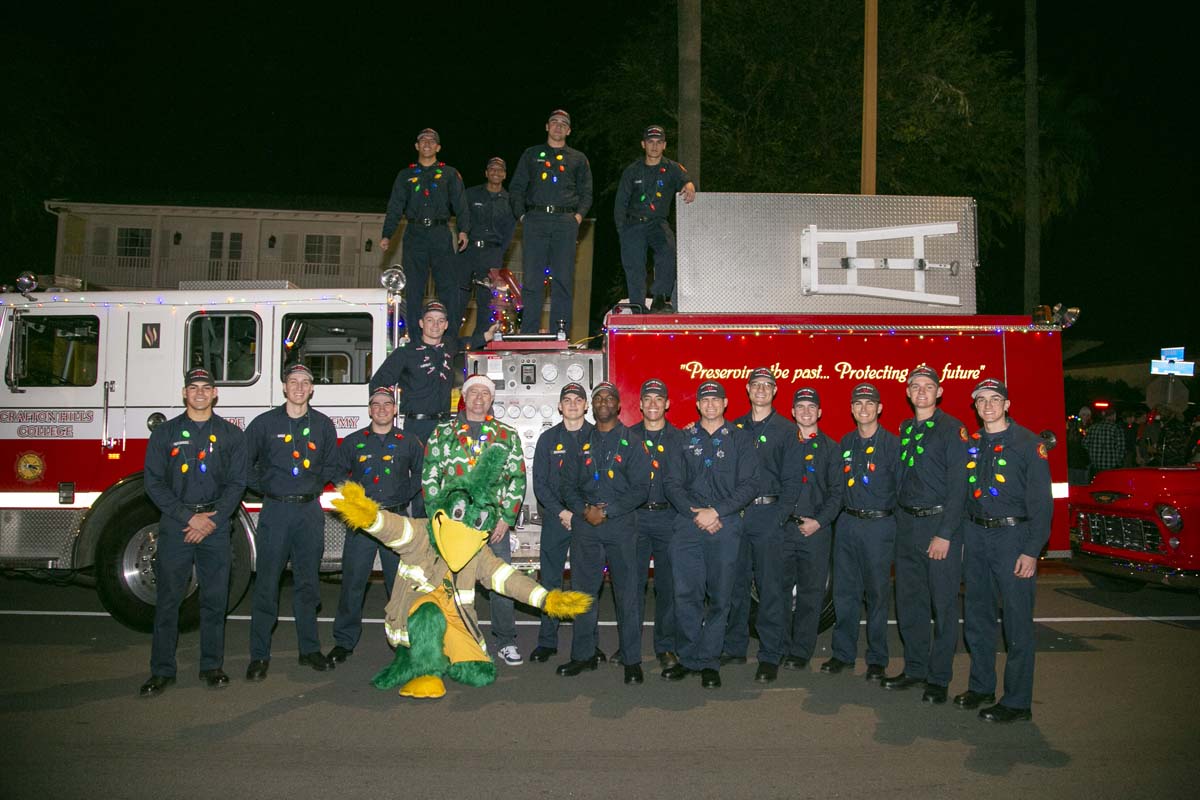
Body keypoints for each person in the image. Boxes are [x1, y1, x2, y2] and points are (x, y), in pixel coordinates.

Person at [140, 368, 247, 697]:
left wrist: (212, 520)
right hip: (177, 525)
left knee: (215, 601)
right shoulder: (164, 434)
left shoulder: (231, 435)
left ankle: (212, 666)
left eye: (206, 387)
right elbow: (153, 483)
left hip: (215, 524)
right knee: (169, 600)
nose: (200, 393)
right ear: (184, 394)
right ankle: (162, 670)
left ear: (216, 394)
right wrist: (189, 517)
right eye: (193, 387)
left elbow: (237, 483)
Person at [956, 378, 1052, 723]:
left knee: (1016, 623)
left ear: (1007, 404)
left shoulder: (1029, 444)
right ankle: (981, 686)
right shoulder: (973, 443)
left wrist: (1031, 550)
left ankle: (1017, 701)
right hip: (977, 536)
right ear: (976, 407)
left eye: (995, 399)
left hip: (1013, 539)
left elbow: (1042, 504)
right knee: (978, 618)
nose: (988, 405)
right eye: (981, 401)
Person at [244, 363, 342, 680]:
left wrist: (310, 486)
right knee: (267, 583)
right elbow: (243, 465)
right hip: (275, 511)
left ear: (312, 389)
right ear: (284, 387)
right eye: (293, 381)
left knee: (308, 584)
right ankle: (259, 655)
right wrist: (268, 488)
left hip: (308, 513)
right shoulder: (263, 424)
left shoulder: (324, 426)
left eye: (305, 382)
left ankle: (309, 649)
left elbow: (330, 465)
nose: (299, 387)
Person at [421, 374, 526, 666]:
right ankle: (455, 640)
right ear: (464, 397)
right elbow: (430, 476)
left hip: (492, 525)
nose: (479, 398)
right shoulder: (442, 432)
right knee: (450, 584)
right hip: (453, 526)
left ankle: (506, 641)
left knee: (499, 582)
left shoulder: (506, 434)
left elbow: (517, 477)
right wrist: (436, 518)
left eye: (485, 394)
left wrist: (506, 518)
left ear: (492, 399)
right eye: (474, 393)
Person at [661, 381, 761, 689]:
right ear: (698, 404)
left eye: (716, 399)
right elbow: (671, 484)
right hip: (687, 525)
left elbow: (750, 485)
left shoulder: (741, 440)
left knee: (721, 597)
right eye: (705, 400)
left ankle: (709, 661)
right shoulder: (682, 438)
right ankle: (689, 657)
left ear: (726, 403)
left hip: (725, 525)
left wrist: (715, 512)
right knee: (686, 594)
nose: (710, 404)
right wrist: (696, 514)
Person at [881, 366, 968, 704]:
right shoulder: (905, 428)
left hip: (938, 526)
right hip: (908, 526)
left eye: (928, 386)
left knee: (942, 605)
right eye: (915, 386)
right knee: (909, 602)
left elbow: (959, 487)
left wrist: (945, 533)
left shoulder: (952, 430)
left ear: (940, 392)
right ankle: (915, 668)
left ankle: (939, 677)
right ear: (907, 392)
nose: (921, 392)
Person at [559, 382, 650, 684]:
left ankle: (632, 660)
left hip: (621, 525)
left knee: (627, 593)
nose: (603, 402)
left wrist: (607, 511)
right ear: (592, 405)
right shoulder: (579, 442)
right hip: (586, 525)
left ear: (618, 405)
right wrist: (584, 511)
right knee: (583, 593)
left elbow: (641, 488)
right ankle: (583, 656)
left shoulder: (633, 441)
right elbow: (567, 486)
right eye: (597, 398)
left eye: (609, 397)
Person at [369, 300, 495, 514]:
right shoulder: (406, 353)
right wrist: (386, 410)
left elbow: (467, 341)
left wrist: (486, 337)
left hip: (445, 425)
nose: (435, 325)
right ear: (421, 323)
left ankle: (442, 530)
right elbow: (378, 383)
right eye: (430, 320)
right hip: (416, 426)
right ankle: (421, 530)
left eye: (440, 321)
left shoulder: (449, 346)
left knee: (445, 477)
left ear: (446, 325)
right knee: (421, 479)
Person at [327, 387, 423, 664]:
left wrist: (402, 495)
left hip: (395, 521)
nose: (381, 408)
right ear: (369, 410)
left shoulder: (409, 441)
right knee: (353, 583)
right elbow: (336, 473)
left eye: (387, 404)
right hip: (363, 524)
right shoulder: (353, 442)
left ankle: (404, 642)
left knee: (400, 585)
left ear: (395, 410)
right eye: (376, 404)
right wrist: (354, 498)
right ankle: (344, 642)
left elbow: (421, 473)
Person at [821, 382, 899, 681]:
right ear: (852, 409)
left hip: (879, 526)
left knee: (877, 595)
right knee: (844, 593)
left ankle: (877, 658)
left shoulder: (893, 445)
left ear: (879, 408)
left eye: (869, 404)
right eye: (858, 404)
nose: (863, 409)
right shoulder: (845, 444)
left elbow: (902, 489)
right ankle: (843, 653)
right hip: (848, 525)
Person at [722, 368, 796, 683]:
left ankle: (769, 654)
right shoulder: (734, 427)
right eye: (756, 385)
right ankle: (735, 646)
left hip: (769, 515)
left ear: (775, 391)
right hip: (739, 517)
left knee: (770, 590)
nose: (761, 390)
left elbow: (793, 482)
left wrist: (778, 519)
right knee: (736, 586)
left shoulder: (786, 430)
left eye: (768, 385)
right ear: (748, 390)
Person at [509, 109, 593, 335]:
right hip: (535, 220)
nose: (558, 126)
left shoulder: (578, 158)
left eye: (563, 124)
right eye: (554, 122)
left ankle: (560, 333)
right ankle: (529, 332)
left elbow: (587, 193)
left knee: (563, 279)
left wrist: (578, 216)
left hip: (565, 221)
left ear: (568, 130)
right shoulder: (531, 154)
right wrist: (523, 216)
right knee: (533, 280)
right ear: (547, 126)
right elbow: (516, 188)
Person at [777, 386, 843, 671]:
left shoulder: (831, 448)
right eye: (800, 407)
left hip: (816, 530)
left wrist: (819, 522)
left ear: (819, 412)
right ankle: (778, 646)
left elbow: (837, 493)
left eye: (811, 407)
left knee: (810, 593)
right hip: (783, 529)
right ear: (792, 412)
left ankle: (801, 651)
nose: (805, 411)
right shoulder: (780, 445)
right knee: (777, 591)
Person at [529, 382, 596, 663]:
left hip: (587, 521)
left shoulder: (598, 436)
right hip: (557, 519)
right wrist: (562, 513)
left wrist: (580, 513)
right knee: (551, 580)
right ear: (559, 406)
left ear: (586, 406)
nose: (572, 404)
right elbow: (540, 485)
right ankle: (547, 641)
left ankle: (588, 643)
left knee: (586, 582)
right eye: (566, 400)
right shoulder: (547, 439)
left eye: (577, 399)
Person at [380, 128, 470, 328]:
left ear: (438, 147)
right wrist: (387, 234)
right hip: (414, 234)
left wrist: (464, 230)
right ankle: (414, 335)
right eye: (423, 140)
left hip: (440, 234)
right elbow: (395, 206)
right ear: (417, 146)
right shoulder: (406, 175)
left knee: (448, 287)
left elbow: (461, 204)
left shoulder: (449, 173)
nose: (427, 143)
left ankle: (449, 336)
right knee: (413, 289)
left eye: (432, 141)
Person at [630, 378, 684, 670]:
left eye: (658, 399)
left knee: (668, 586)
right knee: (632, 586)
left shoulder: (680, 439)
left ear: (667, 404)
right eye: (647, 399)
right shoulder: (626, 437)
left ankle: (665, 647)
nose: (653, 404)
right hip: (636, 518)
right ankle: (630, 646)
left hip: (669, 519)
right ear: (639, 404)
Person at [613, 124, 696, 312]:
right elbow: (620, 203)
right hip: (633, 223)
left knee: (668, 250)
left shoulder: (672, 168)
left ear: (664, 145)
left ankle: (660, 297)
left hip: (657, 222)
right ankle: (638, 306)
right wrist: (622, 231)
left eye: (659, 142)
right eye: (650, 142)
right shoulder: (632, 170)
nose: (654, 146)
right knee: (634, 266)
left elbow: (686, 179)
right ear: (643, 144)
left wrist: (689, 184)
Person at [457, 157, 517, 340]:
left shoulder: (509, 200)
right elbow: (462, 219)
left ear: (505, 175)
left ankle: (479, 343)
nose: (495, 172)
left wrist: (498, 253)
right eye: (492, 169)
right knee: (458, 298)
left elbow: (510, 231)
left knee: (486, 303)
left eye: (499, 170)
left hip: (492, 255)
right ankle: (449, 341)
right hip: (468, 253)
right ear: (486, 173)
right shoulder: (470, 194)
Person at [1084, 407, 1125, 478]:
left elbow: (1085, 443)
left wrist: (1093, 453)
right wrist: (1118, 462)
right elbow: (1121, 448)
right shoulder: (1116, 428)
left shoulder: (1093, 427)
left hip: (1095, 465)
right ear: (1113, 415)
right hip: (1111, 466)